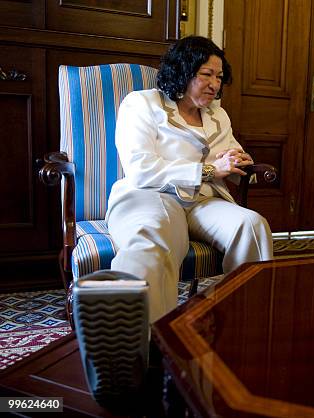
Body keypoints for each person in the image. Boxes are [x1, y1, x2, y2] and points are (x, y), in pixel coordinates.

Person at [73, 36, 273, 407]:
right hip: (151, 195)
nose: (214, 84)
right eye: (205, 74)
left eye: (219, 76)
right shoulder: (142, 104)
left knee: (252, 226)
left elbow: (225, 161)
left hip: (203, 200)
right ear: (182, 72)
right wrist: (212, 167)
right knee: (153, 239)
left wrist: (236, 162)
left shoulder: (218, 114)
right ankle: (140, 343)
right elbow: (142, 169)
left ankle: (243, 334)